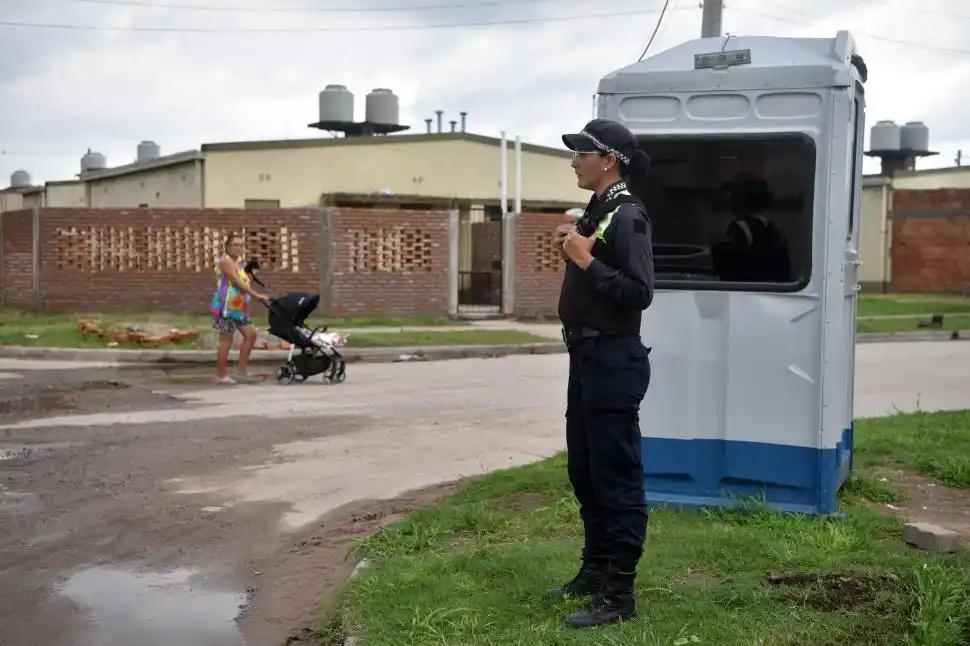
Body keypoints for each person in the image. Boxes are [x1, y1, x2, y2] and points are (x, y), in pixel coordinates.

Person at [550, 119, 655, 629]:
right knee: (585, 469)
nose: (574, 161)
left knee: (615, 476)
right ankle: (595, 570)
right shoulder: (600, 209)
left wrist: (584, 260)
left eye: (582, 154)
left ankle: (619, 593)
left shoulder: (628, 214)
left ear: (608, 160)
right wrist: (576, 248)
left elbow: (639, 293)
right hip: (587, 357)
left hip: (613, 359)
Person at [710, 172, 792, 283]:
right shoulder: (772, 230)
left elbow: (725, 270)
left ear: (740, 198)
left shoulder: (741, 230)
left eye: (731, 193)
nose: (729, 198)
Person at [209, 234, 268, 385]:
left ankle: (241, 371)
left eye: (241, 245)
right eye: (235, 245)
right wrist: (257, 295)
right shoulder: (225, 262)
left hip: (239, 307)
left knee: (251, 335)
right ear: (227, 247)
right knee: (226, 340)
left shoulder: (240, 262)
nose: (239, 248)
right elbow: (236, 282)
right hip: (226, 306)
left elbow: (244, 281)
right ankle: (221, 376)